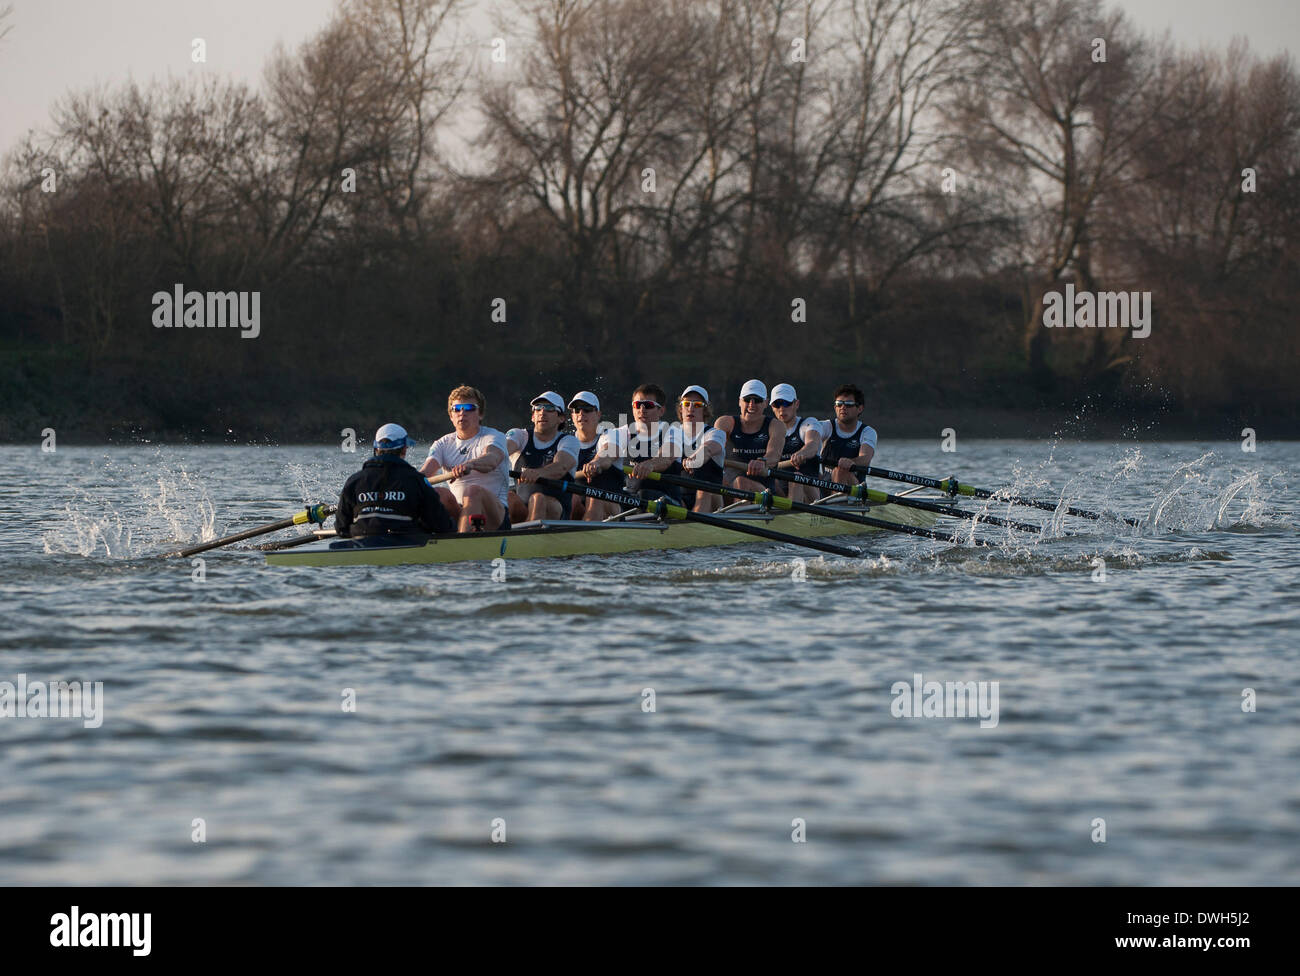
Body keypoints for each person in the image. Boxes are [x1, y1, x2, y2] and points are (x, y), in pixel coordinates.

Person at [335, 423, 454, 540]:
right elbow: (441, 525)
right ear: (404, 449)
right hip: (406, 544)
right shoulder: (417, 481)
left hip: (361, 542)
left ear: (376, 449)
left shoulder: (354, 481)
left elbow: (341, 528)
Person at [581, 382, 684, 516]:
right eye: (637, 405)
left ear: (661, 411)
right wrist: (597, 462)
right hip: (631, 501)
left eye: (648, 405)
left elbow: (667, 456)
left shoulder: (672, 431)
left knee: (644, 493)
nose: (642, 410)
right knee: (598, 495)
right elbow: (609, 451)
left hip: (666, 504)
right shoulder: (620, 433)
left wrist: (651, 464)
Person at [418, 385, 511, 531]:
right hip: (460, 510)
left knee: (472, 491)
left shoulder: (494, 436)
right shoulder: (442, 443)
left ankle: (463, 542)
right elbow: (424, 473)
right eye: (457, 409)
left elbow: (492, 459)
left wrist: (470, 465)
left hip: (495, 515)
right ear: (451, 416)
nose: (462, 413)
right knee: (439, 494)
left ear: (480, 414)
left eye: (469, 408)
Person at [505, 391, 581, 522]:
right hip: (523, 507)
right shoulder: (519, 436)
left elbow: (561, 467)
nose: (542, 412)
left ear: (561, 418)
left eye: (550, 408)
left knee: (538, 499)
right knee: (508, 497)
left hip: (556, 509)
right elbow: (500, 452)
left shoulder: (568, 441)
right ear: (533, 417)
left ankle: (528, 538)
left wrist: (538, 473)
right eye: (538, 408)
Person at [713, 379, 785, 493]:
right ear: (739, 402)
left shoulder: (776, 425)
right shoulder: (725, 423)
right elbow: (713, 446)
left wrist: (762, 461)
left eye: (757, 400)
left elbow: (774, 454)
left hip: (763, 491)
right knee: (712, 483)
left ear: (766, 403)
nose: (751, 405)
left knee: (741, 482)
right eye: (747, 400)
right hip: (729, 488)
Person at [675, 385, 727, 513]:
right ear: (681, 408)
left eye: (697, 405)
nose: (691, 408)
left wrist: (694, 459)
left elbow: (708, 449)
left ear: (705, 410)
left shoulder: (716, 433)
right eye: (686, 404)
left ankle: (694, 527)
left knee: (705, 489)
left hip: (711, 501)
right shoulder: (671, 434)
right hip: (680, 498)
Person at [769, 383, 823, 504]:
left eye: (787, 403)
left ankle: (792, 516)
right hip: (781, 493)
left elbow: (812, 444)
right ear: (772, 407)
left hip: (811, 494)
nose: (782, 408)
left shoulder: (808, 424)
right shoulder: (768, 430)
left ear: (796, 404)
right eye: (777, 404)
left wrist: (801, 453)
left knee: (796, 479)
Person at [566, 390, 614, 520]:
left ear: (598, 414)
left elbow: (607, 453)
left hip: (610, 502)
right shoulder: (565, 442)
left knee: (594, 497)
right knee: (572, 499)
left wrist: (596, 463)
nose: (581, 413)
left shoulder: (610, 435)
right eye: (577, 410)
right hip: (577, 500)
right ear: (572, 416)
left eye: (587, 409)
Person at [820, 383, 877, 488]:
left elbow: (865, 458)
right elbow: (808, 437)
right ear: (835, 407)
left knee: (839, 471)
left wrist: (851, 462)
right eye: (839, 403)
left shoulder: (867, 432)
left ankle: (835, 502)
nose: (843, 407)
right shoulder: (825, 426)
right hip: (826, 486)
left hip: (854, 488)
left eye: (849, 404)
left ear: (860, 408)